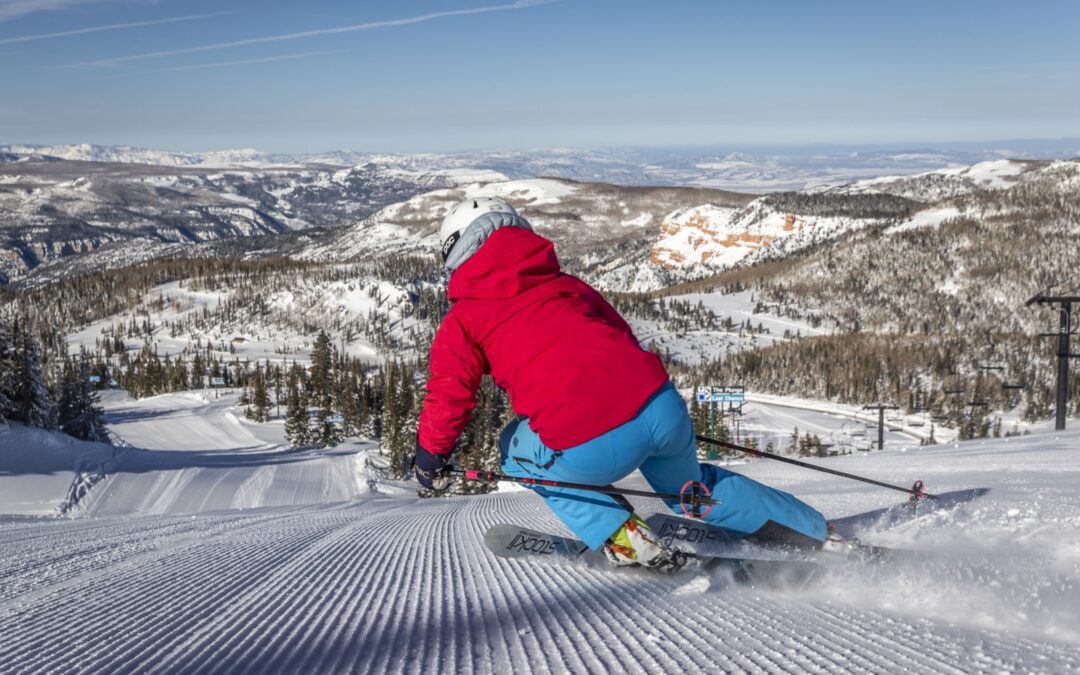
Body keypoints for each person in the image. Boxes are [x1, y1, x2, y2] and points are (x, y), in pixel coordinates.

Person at [411, 196, 830, 570]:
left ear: (455, 255)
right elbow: (620, 337)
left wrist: (430, 460)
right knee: (689, 489)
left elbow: (449, 395)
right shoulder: (567, 285)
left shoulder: (464, 318)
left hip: (586, 438)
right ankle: (816, 534)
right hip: (660, 408)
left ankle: (628, 540)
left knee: (514, 451)